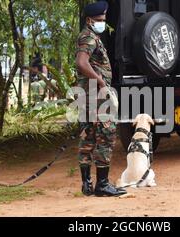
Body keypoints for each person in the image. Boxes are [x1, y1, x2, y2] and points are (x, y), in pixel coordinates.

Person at [76, 1, 126, 197]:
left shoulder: (88, 36)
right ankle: (102, 185)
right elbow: (82, 63)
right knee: (106, 136)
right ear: (89, 20)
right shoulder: (89, 38)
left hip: (87, 97)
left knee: (87, 139)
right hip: (96, 97)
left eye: (104, 19)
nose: (102, 22)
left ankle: (87, 184)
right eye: (99, 20)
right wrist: (101, 82)